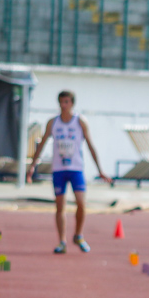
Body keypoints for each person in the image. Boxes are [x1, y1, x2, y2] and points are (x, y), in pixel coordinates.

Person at [26, 90, 112, 254]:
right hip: (59, 169)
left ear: (72, 103)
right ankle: (62, 241)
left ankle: (78, 234)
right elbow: (42, 144)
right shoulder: (53, 122)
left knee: (81, 203)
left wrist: (100, 170)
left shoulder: (80, 121)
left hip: (76, 168)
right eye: (61, 102)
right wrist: (32, 166)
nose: (63, 105)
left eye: (66, 102)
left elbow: (90, 145)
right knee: (60, 206)